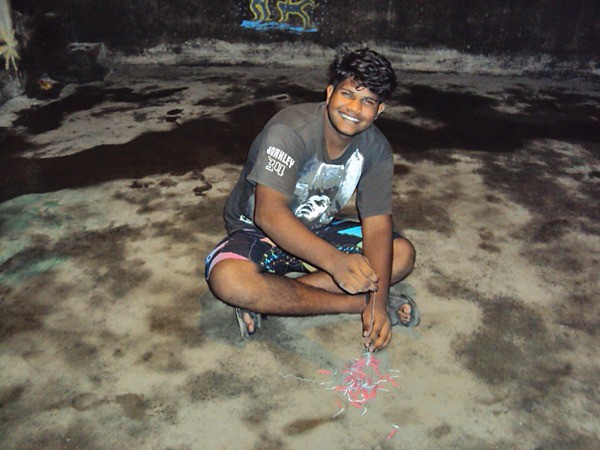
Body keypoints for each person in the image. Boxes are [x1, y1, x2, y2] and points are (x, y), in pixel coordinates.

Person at [205, 48, 419, 352]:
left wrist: (380, 301)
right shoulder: (291, 130)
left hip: (317, 227)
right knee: (229, 280)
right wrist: (339, 267)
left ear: (379, 110)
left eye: (368, 101)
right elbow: (268, 213)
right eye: (347, 94)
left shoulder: (377, 148)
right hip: (257, 232)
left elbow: (378, 224)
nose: (354, 108)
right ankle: (351, 304)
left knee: (401, 254)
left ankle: (271, 298)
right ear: (330, 92)